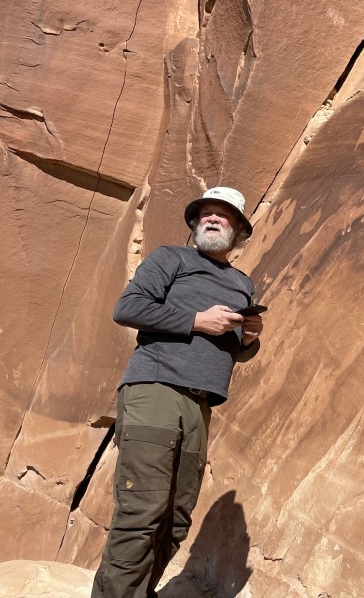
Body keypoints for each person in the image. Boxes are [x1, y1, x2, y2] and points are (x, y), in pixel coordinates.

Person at [92, 187, 265, 598]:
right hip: (156, 389)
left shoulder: (243, 284)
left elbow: (234, 349)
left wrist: (249, 338)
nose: (212, 218)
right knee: (142, 512)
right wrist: (196, 320)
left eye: (223, 214)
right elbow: (127, 308)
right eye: (206, 213)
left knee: (176, 518)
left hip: (200, 405)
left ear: (239, 229)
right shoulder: (172, 258)